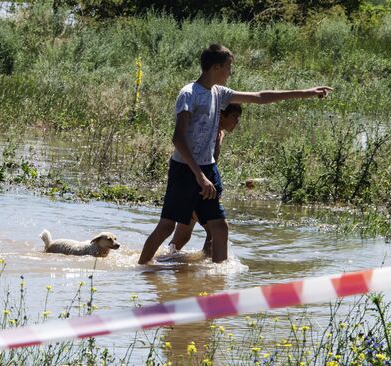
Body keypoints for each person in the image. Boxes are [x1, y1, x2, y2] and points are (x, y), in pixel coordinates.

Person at [138, 44, 332, 264]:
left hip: (207, 168)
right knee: (166, 227)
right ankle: (140, 270)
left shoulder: (220, 94)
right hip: (184, 169)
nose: (231, 72)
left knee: (220, 227)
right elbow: (178, 138)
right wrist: (199, 177)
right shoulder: (189, 94)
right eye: (229, 67)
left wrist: (306, 93)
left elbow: (260, 96)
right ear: (217, 67)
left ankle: (218, 279)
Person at [167, 103, 242, 257]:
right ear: (221, 115)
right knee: (215, 231)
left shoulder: (219, 133)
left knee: (182, 236)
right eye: (235, 116)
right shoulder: (207, 133)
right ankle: (209, 269)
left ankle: (163, 262)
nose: (237, 121)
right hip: (197, 187)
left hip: (200, 186)